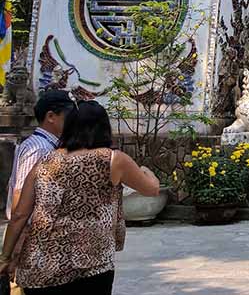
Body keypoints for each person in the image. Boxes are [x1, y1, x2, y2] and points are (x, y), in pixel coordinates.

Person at [0, 100, 158, 294]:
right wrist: (147, 171)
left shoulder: (46, 160)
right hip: (92, 264)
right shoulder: (112, 159)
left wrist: (6, 257)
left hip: (41, 265)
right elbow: (151, 190)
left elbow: (19, 215)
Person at [3, 90, 73, 295]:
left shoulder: (48, 146)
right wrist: (14, 250)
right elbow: (20, 201)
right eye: (67, 117)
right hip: (28, 238)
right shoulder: (39, 149)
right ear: (51, 116)